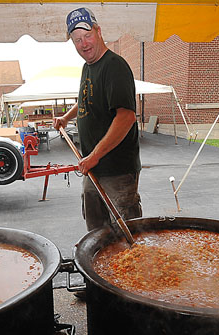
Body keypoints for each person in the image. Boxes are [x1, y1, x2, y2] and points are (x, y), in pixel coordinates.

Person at [53, 7, 142, 232]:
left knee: (125, 235)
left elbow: (126, 117)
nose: (84, 44)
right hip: (93, 169)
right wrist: (65, 117)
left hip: (116, 171)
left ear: (99, 31)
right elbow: (85, 101)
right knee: (97, 233)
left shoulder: (114, 66)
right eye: (77, 40)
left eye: (87, 35)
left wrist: (94, 156)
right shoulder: (87, 67)